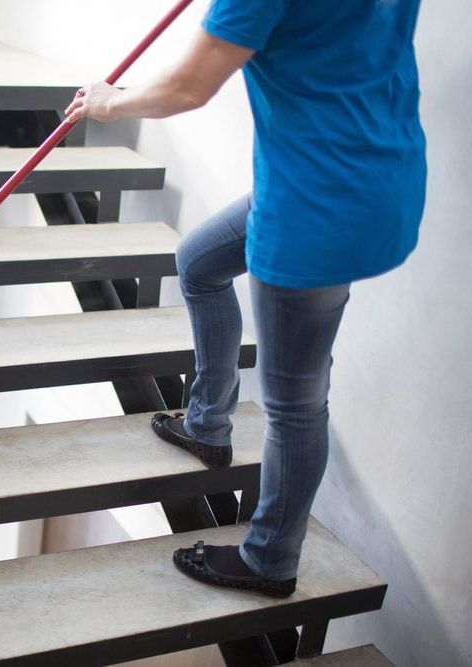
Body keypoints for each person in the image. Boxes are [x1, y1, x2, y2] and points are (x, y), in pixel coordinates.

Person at [65, 0, 426, 598]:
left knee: (296, 403)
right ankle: (208, 424)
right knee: (199, 263)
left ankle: (270, 560)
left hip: (314, 210)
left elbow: (189, 86)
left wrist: (110, 101)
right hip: (372, 178)